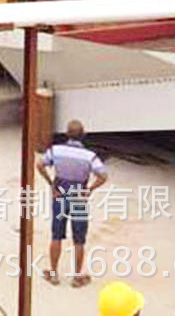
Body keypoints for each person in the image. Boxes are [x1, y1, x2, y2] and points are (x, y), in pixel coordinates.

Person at [36, 119, 108, 287]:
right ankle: (76, 277)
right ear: (83, 135)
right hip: (78, 197)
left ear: (67, 134)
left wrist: (51, 183)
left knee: (56, 235)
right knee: (79, 239)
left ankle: (53, 274)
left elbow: (40, 165)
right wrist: (89, 189)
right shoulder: (89, 156)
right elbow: (103, 175)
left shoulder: (56, 150)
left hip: (60, 194)